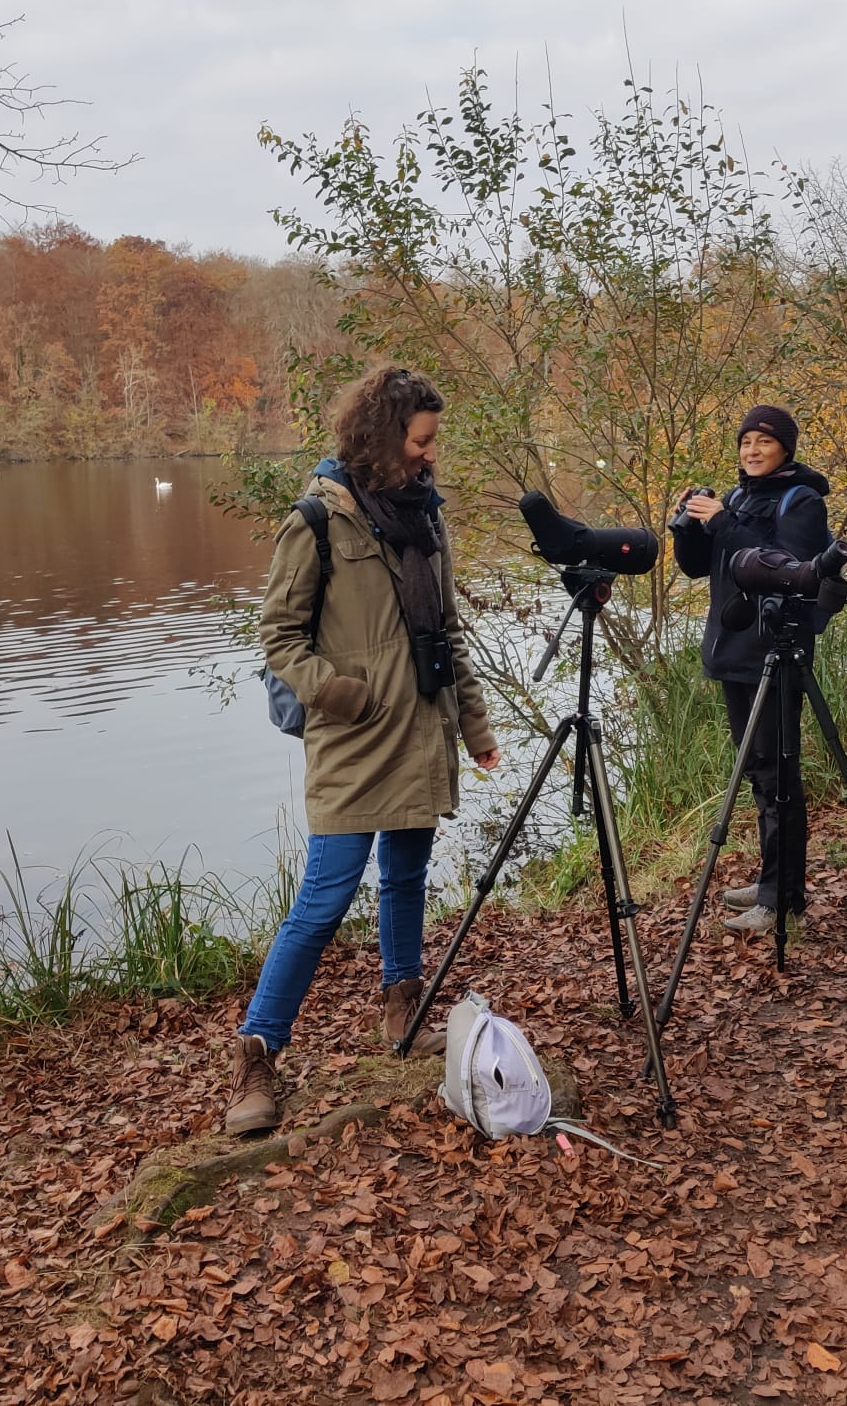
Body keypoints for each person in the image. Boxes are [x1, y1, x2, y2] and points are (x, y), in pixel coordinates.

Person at [227, 366, 500, 1137]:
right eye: (420, 441)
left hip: (421, 733)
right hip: (353, 740)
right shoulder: (316, 521)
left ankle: (401, 1004)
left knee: (407, 877)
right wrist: (341, 693)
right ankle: (257, 1053)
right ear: (383, 439)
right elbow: (279, 636)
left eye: (432, 442)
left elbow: (447, 633)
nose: (430, 455)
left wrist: (474, 729)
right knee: (323, 900)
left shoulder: (427, 519)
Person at [671, 405, 832, 935]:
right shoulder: (738, 498)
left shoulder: (800, 501)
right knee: (758, 772)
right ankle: (771, 879)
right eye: (745, 442)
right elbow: (699, 567)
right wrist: (690, 528)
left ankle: (781, 896)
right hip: (735, 655)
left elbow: (787, 571)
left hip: (775, 654)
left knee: (778, 773)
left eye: (764, 441)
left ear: (785, 448)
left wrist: (722, 522)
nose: (752, 451)